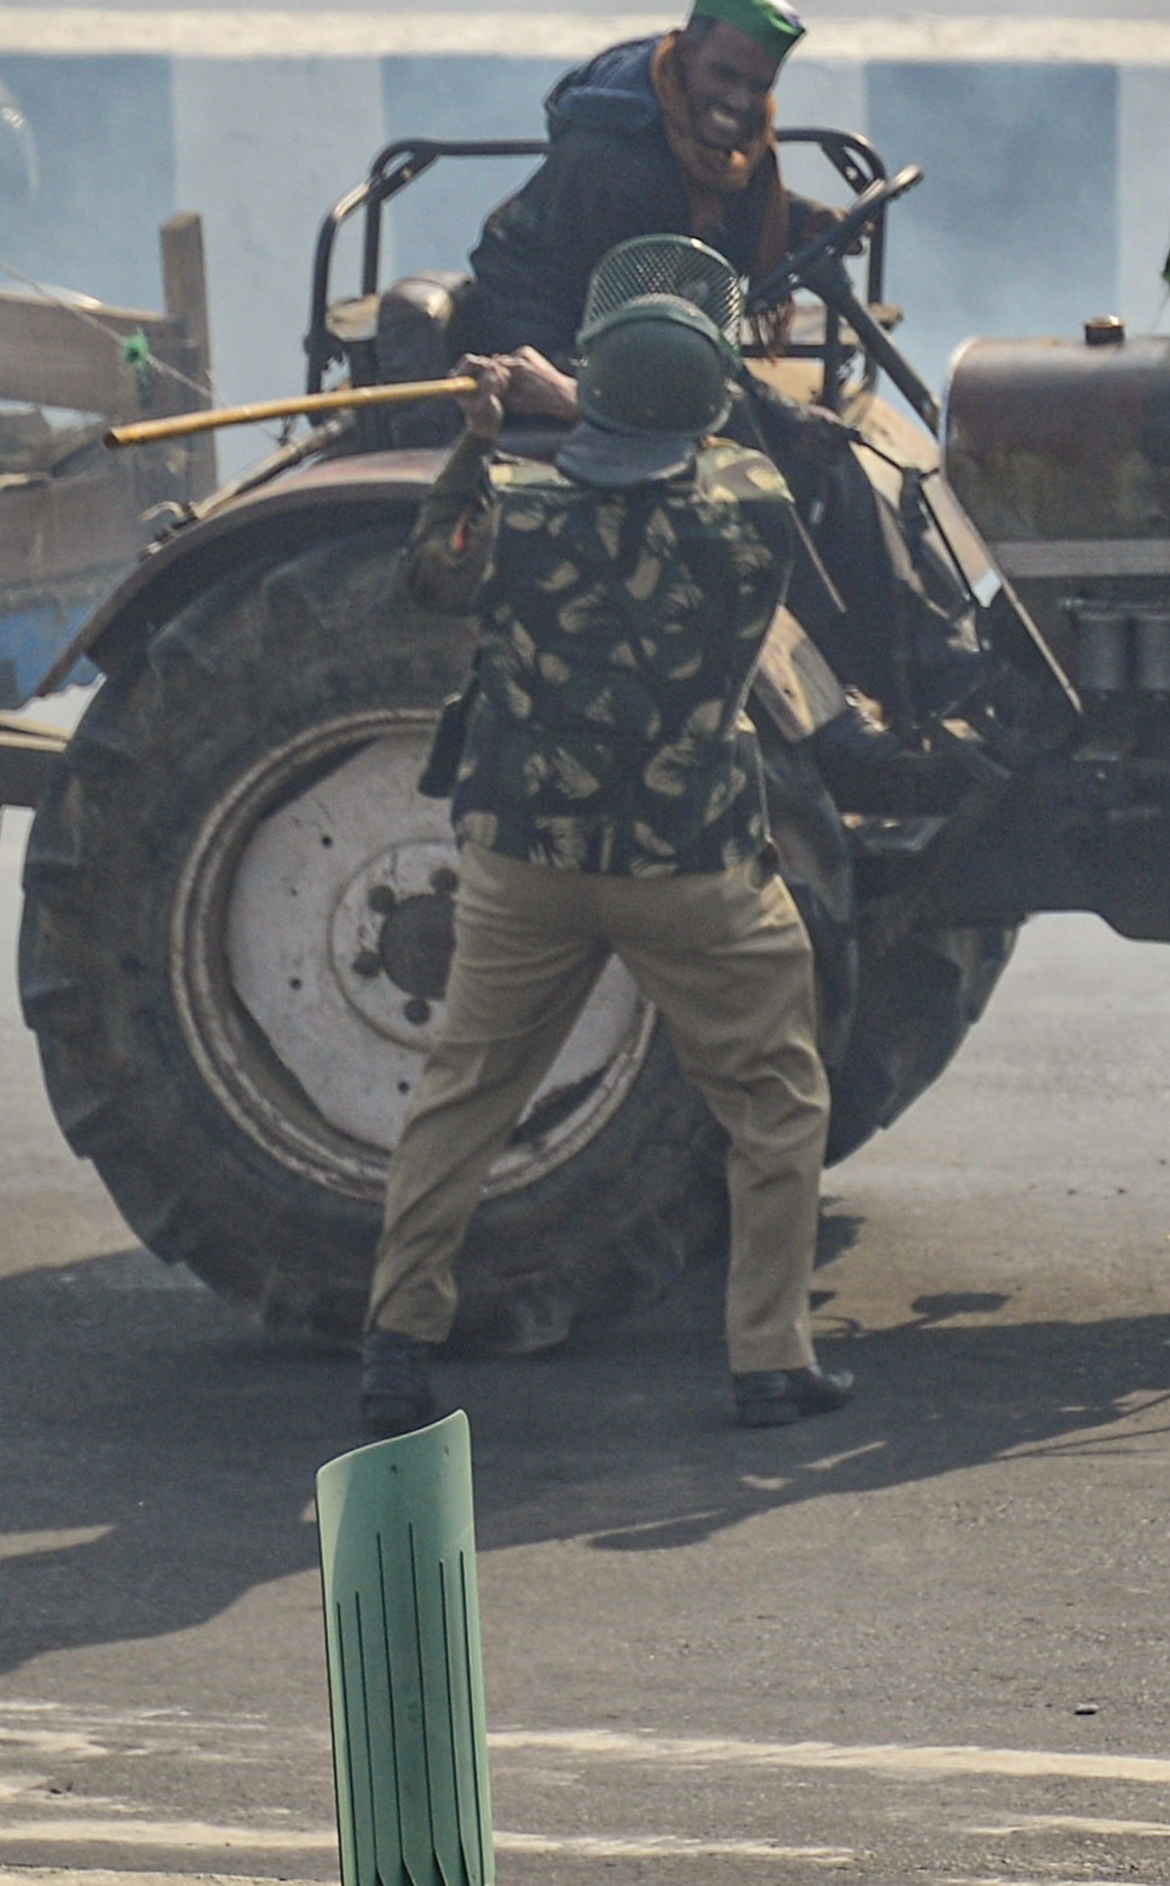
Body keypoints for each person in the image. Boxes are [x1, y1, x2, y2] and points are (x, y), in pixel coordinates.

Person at [361, 240, 855, 1440]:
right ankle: (769, 1363)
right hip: (690, 867)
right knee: (776, 1103)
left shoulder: (515, 519)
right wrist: (590, 395)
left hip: (526, 862)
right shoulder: (751, 515)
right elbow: (709, 443)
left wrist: (488, 427)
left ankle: (395, 1346)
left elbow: (428, 573)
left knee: (465, 1097)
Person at [456, 0, 835, 371]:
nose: (740, 101)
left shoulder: (702, 143)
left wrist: (802, 220)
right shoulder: (617, 159)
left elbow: (723, 198)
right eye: (724, 75)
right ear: (687, 53)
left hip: (618, 323)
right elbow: (661, 329)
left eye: (759, 87)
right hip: (544, 342)